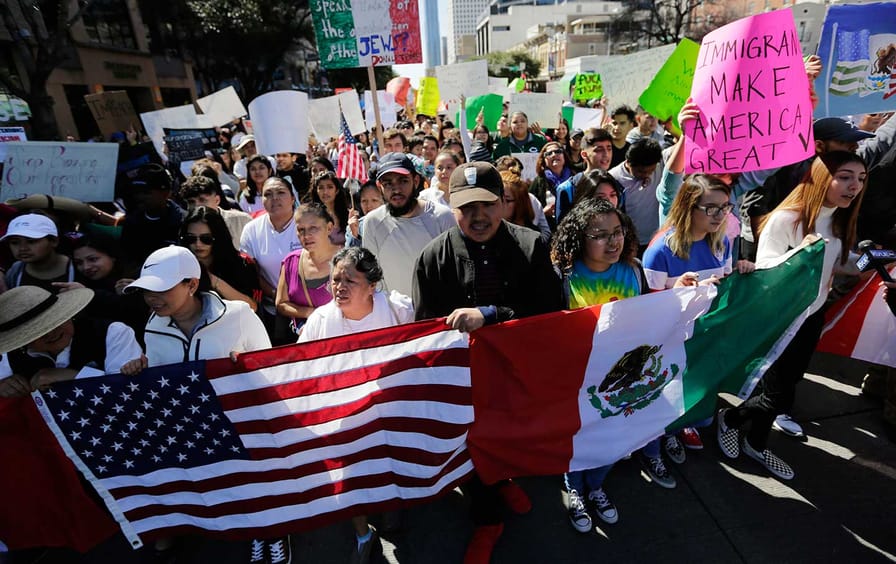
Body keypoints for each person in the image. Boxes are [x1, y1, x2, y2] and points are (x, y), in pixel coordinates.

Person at [413, 161, 563, 563]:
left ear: (503, 204)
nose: (478, 216)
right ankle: (488, 518)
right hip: (465, 381)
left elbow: (550, 313)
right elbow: (425, 331)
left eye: (487, 204)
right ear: (451, 206)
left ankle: (503, 479)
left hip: (516, 374)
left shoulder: (531, 247)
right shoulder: (432, 258)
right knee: (473, 444)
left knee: (510, 437)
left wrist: (493, 314)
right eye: (467, 207)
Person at [119, 245, 280, 563]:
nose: (152, 298)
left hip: (242, 427)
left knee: (257, 487)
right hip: (193, 431)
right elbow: (161, 382)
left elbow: (269, 369)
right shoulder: (152, 326)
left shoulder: (239, 315)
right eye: (146, 291)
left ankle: (272, 531)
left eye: (161, 289)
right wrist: (140, 368)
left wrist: (246, 367)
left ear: (191, 284)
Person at [717, 151, 866, 480]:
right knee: (773, 392)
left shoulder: (840, 219)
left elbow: (839, 264)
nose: (853, 185)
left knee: (784, 390)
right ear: (818, 177)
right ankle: (730, 420)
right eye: (844, 176)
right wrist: (803, 255)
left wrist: (872, 261)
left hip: (813, 316)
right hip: (782, 320)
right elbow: (767, 275)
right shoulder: (786, 219)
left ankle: (755, 441)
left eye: (860, 178)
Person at [296, 247, 413, 563]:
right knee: (349, 474)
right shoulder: (321, 319)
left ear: (372, 285)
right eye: (335, 279)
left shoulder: (398, 309)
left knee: (388, 459)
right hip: (342, 413)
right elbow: (297, 365)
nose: (339, 287)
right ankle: (363, 533)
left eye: (350, 280)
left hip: (387, 407)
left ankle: (391, 504)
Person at [643, 174, 754, 461]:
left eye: (726, 207)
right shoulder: (659, 252)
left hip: (705, 338)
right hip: (671, 341)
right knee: (666, 394)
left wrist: (741, 270)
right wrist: (684, 293)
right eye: (711, 208)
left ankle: (683, 424)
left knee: (696, 398)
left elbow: (724, 286)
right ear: (688, 207)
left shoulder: (723, 244)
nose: (720, 215)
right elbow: (647, 310)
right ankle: (662, 437)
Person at [0, 285, 142, 395]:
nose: (51, 333)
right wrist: (5, 387)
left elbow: (128, 389)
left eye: (55, 322)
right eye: (38, 332)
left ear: (67, 314)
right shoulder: (10, 353)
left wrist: (74, 376)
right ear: (22, 340)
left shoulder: (112, 332)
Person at [363, 152, 455, 298]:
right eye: (388, 184)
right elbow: (374, 280)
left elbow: (454, 274)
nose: (396, 189)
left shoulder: (442, 217)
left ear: (416, 181)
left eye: (403, 181)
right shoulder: (373, 223)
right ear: (379, 187)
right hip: (396, 317)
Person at [240, 177, 302, 343]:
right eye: (268, 194)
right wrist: (279, 297)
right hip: (272, 311)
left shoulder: (306, 224)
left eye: (281, 192)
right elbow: (253, 273)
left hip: (308, 308)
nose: (275, 198)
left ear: (293, 198)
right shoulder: (251, 230)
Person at [179, 206, 261, 311]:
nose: (198, 244)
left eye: (206, 239)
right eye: (191, 238)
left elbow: (252, 307)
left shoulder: (242, 264)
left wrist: (213, 280)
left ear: (218, 237)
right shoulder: (178, 264)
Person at [276, 203, 340, 334]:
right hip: (308, 341)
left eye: (313, 228)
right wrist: (308, 313)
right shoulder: (291, 262)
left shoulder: (347, 260)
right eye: (301, 230)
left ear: (329, 228)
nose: (306, 236)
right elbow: (281, 304)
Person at [120, 163, 187, 267]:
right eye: (137, 192)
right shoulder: (131, 223)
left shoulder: (183, 221)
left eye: (146, 192)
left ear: (166, 192)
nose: (139, 197)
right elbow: (128, 259)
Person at [609, 138, 664, 254]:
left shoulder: (661, 165)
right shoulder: (613, 179)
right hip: (631, 245)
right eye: (641, 172)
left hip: (657, 240)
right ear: (628, 162)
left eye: (651, 171)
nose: (647, 175)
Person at [2, 213, 75, 292]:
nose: (22, 248)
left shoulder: (79, 267)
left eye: (31, 241)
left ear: (54, 241)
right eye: (14, 242)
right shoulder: (15, 272)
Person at [555, 128, 614, 223]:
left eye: (609, 148)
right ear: (584, 154)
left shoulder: (617, 186)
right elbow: (562, 228)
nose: (606, 154)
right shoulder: (568, 188)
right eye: (599, 149)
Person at [180, 174, 252, 249]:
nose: (196, 206)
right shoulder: (184, 228)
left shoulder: (242, 221)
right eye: (191, 202)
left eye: (202, 200)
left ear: (217, 200)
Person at [529, 141, 573, 223]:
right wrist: (543, 213)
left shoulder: (575, 177)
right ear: (543, 160)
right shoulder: (538, 182)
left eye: (558, 151)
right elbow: (528, 210)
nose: (553, 155)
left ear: (564, 156)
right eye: (549, 153)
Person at [500, 170, 549, 243]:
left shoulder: (533, 240)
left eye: (507, 200)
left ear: (519, 204)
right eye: (497, 198)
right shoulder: (488, 231)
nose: (500, 204)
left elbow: (546, 233)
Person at [307, 171, 350, 245]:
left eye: (330, 187)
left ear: (337, 190)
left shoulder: (348, 215)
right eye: (321, 188)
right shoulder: (312, 216)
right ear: (316, 191)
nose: (325, 192)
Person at [346, 181, 385, 247]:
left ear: (383, 202)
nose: (369, 205)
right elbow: (349, 255)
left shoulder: (393, 224)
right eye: (364, 201)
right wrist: (355, 235)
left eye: (374, 200)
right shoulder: (354, 226)